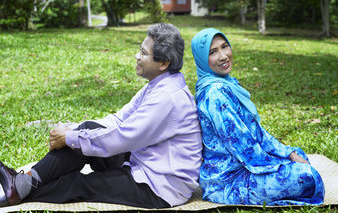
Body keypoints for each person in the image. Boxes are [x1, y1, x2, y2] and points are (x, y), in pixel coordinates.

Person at [0, 23, 202, 209]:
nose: (136, 56)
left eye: (143, 53)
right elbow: (118, 119)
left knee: (78, 184)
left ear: (163, 63)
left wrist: (69, 137)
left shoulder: (167, 98)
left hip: (158, 186)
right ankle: (21, 184)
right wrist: (74, 131)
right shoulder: (159, 85)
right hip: (142, 161)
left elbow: (122, 136)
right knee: (88, 129)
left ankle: (17, 192)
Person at [190, 28, 325, 206]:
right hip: (227, 181)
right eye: (213, 52)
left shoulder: (228, 83)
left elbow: (256, 131)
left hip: (244, 166)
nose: (223, 56)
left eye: (225, 47)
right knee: (306, 176)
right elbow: (242, 144)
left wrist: (288, 154)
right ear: (201, 59)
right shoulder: (215, 93)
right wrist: (276, 164)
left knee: (297, 155)